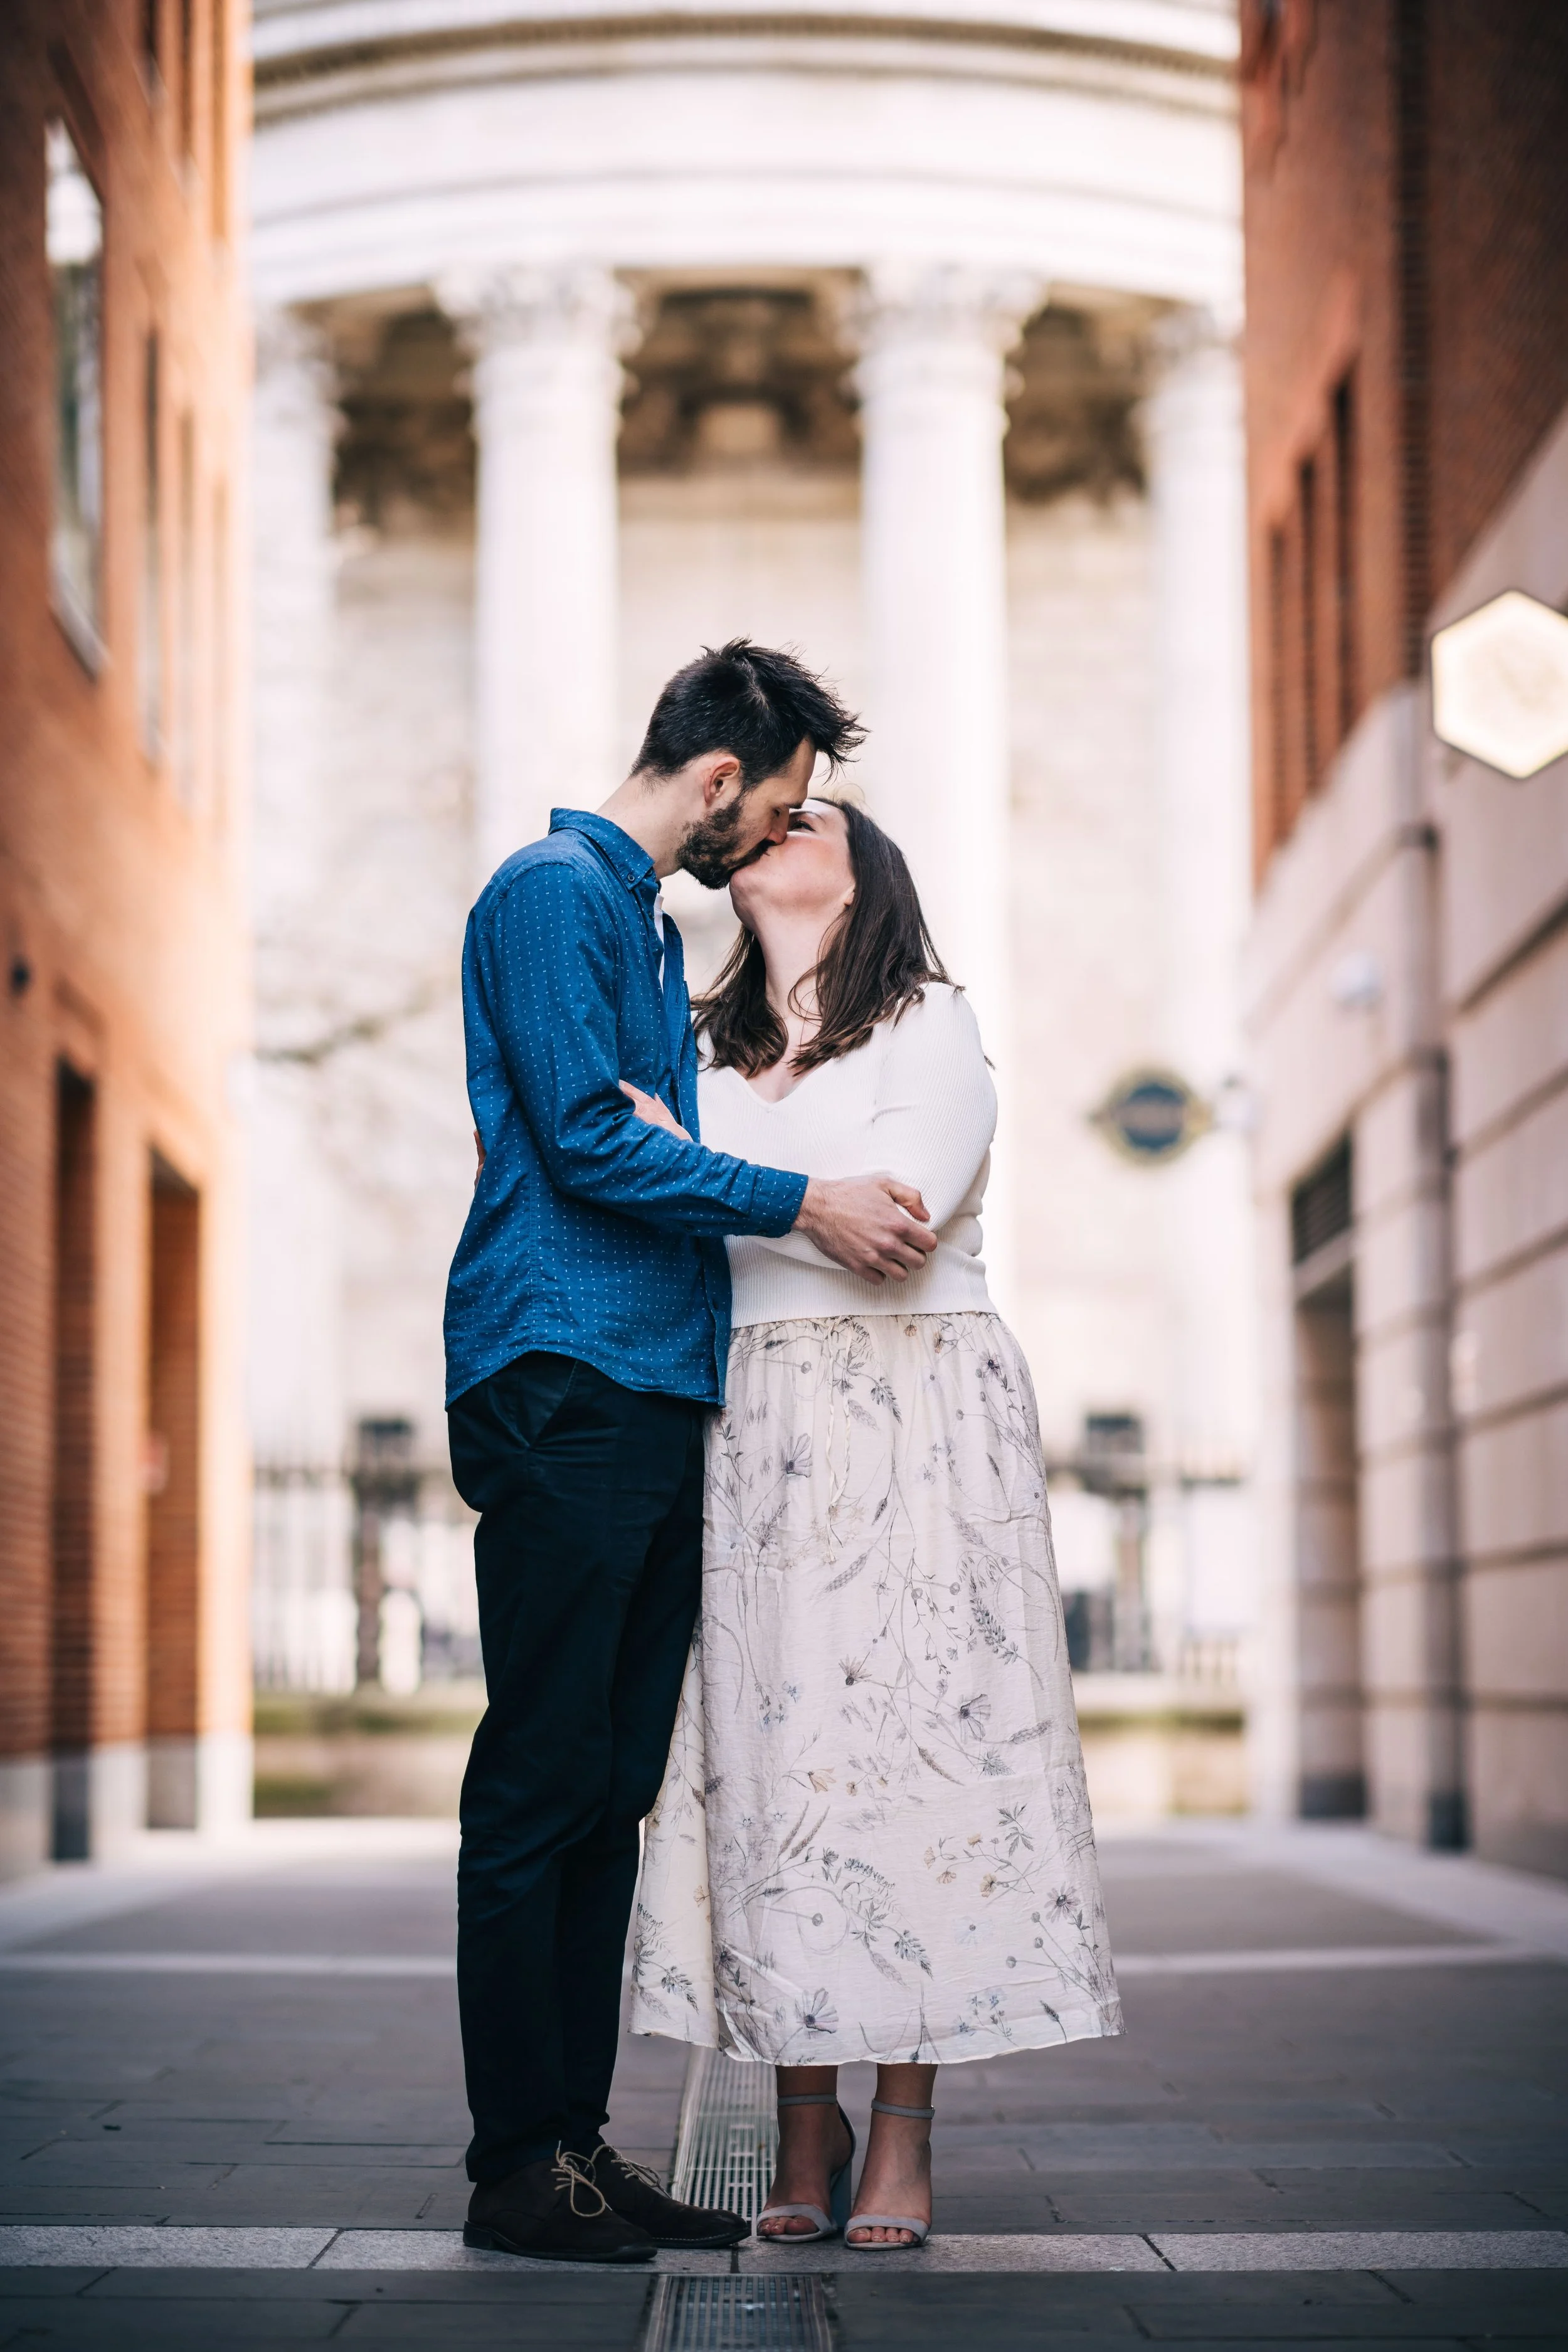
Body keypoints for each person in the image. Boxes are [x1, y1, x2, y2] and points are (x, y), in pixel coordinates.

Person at [444, 643, 940, 2265]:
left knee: (604, 1792)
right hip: (560, 1373)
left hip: (651, 1391)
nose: (782, 830)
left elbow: (652, 1143)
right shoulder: (550, 893)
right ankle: (517, 2157)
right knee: (538, 1781)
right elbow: (589, 1137)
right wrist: (803, 1198)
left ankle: (573, 2147)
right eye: (784, 800)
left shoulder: (647, 934)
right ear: (721, 780)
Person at [629, 797, 1122, 2249]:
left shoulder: (928, 1020)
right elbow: (649, 1195)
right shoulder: (693, 1045)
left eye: (811, 817)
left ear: (868, 871)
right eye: (762, 818)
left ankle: (900, 2126)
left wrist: (702, 1176)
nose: (775, 830)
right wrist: (772, 1196)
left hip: (918, 1410)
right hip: (754, 1419)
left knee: (915, 1756)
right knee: (773, 1771)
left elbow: (900, 1218)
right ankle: (802, 2118)